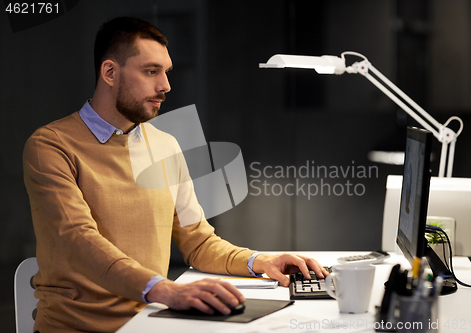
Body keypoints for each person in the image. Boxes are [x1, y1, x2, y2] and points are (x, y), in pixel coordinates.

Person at [23, 17, 329, 333]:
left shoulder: (165, 144)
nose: (165, 86)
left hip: (151, 323)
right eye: (151, 71)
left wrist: (260, 262)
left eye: (166, 73)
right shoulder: (51, 145)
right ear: (110, 72)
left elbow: (198, 241)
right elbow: (78, 239)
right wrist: (166, 290)